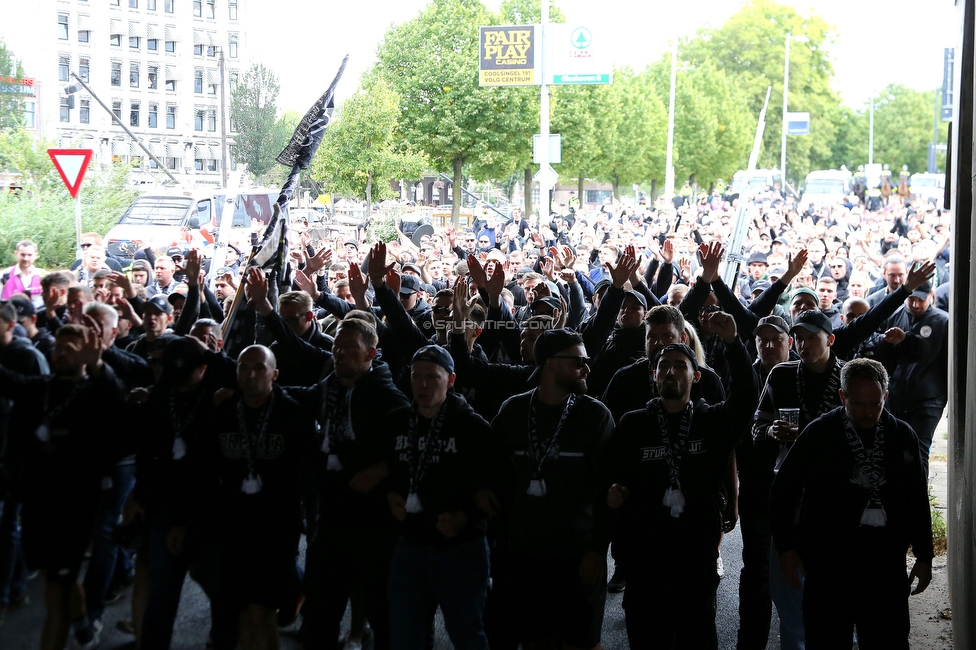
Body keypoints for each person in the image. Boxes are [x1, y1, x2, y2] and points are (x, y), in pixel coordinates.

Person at [604, 311, 758, 649]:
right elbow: (609, 471)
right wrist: (612, 491)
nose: (670, 371)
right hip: (645, 556)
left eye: (679, 364)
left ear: (696, 376)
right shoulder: (633, 424)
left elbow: (746, 397)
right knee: (647, 638)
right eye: (663, 366)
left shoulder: (712, 422)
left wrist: (734, 344)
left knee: (696, 637)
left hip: (695, 554)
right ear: (654, 374)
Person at [769, 358, 933, 649]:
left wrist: (924, 555)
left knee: (888, 641)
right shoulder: (819, 433)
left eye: (875, 404)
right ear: (842, 397)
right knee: (826, 641)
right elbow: (784, 491)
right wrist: (787, 549)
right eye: (858, 404)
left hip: (885, 567)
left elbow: (917, 498)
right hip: (828, 567)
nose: (868, 413)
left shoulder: (902, 436)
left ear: (885, 396)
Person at [483, 329, 614, 650]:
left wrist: (598, 549)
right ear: (552, 364)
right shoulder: (512, 411)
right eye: (579, 361)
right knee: (533, 639)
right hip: (522, 553)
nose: (587, 368)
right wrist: (481, 487)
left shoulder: (595, 415)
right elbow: (489, 466)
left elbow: (607, 489)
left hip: (578, 554)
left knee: (582, 642)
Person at [0, 324, 125, 650]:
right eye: (59, 346)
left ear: (86, 356)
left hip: (76, 508)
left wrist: (98, 365)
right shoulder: (39, 388)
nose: (63, 352)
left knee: (55, 594)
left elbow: (117, 402)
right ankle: (84, 625)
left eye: (73, 348)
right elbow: (7, 380)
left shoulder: (94, 394)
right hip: (35, 504)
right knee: (56, 578)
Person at [199, 345, 317, 650]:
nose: (250, 375)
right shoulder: (224, 411)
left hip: (276, 528)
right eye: (243, 367)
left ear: (274, 374)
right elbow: (207, 466)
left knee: (261, 610)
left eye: (259, 368)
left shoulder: (291, 414)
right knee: (238, 609)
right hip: (231, 525)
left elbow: (311, 470)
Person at [385, 346, 493, 650]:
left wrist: (466, 515)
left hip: (460, 549)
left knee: (467, 634)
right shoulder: (396, 422)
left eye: (432, 377)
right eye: (416, 377)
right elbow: (390, 472)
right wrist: (391, 495)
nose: (422, 385)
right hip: (410, 546)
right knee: (406, 637)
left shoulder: (473, 427)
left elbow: (495, 485)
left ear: (451, 380)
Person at [752, 309, 845, 650]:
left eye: (812, 338)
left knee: (836, 580)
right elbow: (756, 426)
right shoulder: (781, 375)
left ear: (830, 339)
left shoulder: (848, 377)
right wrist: (770, 430)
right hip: (790, 487)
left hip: (837, 493)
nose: (804, 345)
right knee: (787, 581)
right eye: (800, 338)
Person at [878, 281, 949, 478]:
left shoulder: (943, 322)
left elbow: (945, 361)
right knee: (894, 450)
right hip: (897, 396)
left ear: (931, 296)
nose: (915, 304)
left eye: (920, 299)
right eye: (911, 299)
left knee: (919, 449)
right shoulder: (894, 316)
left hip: (928, 399)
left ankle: (919, 502)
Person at [1, 240, 44, 310]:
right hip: (11, 317)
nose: (26, 258)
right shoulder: (5, 275)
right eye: (22, 255)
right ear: (16, 254)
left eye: (29, 255)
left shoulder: (43, 276)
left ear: (35, 255)